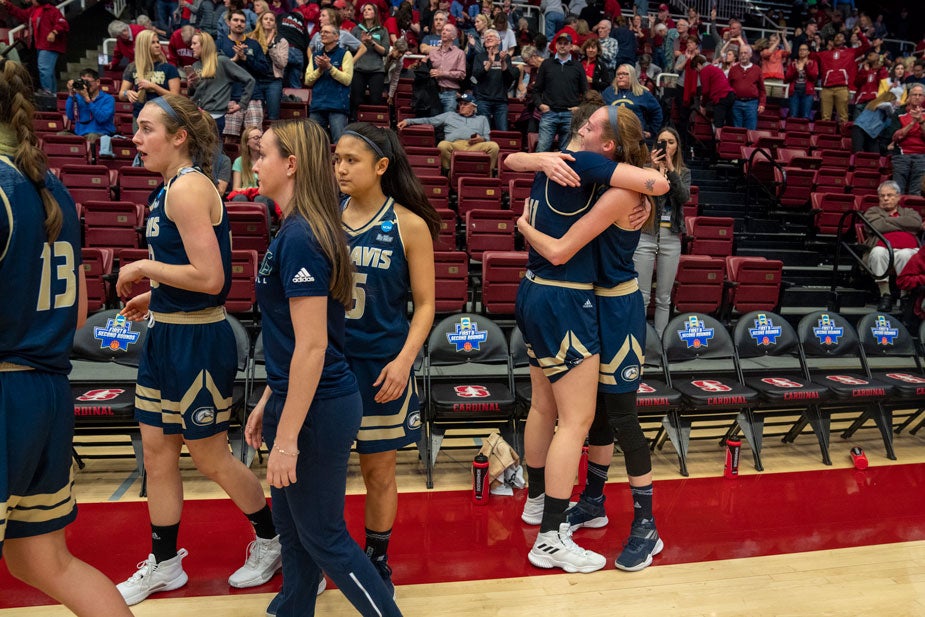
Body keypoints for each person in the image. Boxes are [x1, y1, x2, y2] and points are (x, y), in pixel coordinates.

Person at [114, 94, 282, 606]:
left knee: (209, 456)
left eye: (147, 130)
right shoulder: (169, 188)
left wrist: (144, 270)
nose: (137, 139)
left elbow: (212, 279)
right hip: (166, 332)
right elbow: (188, 270)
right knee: (158, 453)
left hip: (197, 338)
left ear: (179, 136)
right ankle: (164, 563)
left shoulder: (187, 190)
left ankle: (272, 539)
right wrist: (155, 295)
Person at [244, 118, 402, 617]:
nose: (255, 162)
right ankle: (293, 608)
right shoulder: (296, 229)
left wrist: (286, 437)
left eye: (263, 154)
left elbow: (313, 348)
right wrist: (270, 399)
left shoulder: (302, 237)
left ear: (290, 164)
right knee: (294, 535)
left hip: (316, 409)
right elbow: (294, 341)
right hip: (295, 399)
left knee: (326, 537)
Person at [503, 104, 668, 574]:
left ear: (610, 145)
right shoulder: (590, 173)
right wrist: (537, 159)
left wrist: (523, 225)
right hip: (575, 301)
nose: (581, 128)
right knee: (584, 418)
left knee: (617, 417)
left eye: (592, 125)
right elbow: (518, 161)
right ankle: (588, 503)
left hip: (615, 306)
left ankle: (645, 522)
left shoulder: (618, 190)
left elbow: (658, 184)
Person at [0, 56, 134, 617]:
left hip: (6, 390)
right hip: (49, 390)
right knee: (42, 560)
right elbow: (80, 310)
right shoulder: (47, 183)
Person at [334, 122, 440, 596]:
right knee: (326, 472)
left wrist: (403, 362)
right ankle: (324, 554)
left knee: (379, 471)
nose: (340, 168)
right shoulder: (324, 218)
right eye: (337, 159)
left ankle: (377, 558)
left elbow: (427, 305)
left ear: (380, 167)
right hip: (330, 365)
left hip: (381, 368)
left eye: (351, 160)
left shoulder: (409, 224)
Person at [633, 126, 689, 334]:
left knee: (664, 297)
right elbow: (642, 195)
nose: (666, 146)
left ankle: (662, 342)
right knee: (642, 295)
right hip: (646, 234)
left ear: (677, 147)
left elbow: (683, 197)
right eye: (662, 142)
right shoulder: (644, 169)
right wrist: (653, 170)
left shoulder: (683, 172)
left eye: (671, 142)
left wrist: (671, 172)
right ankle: (640, 340)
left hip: (671, 236)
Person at [863, 180, 924, 311]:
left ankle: (905, 296)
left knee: (907, 254)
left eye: (889, 195)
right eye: (882, 195)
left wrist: (888, 222)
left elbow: (915, 223)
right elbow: (877, 225)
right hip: (883, 249)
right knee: (878, 252)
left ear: (898, 197)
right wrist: (903, 225)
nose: (885, 198)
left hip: (906, 249)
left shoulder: (909, 211)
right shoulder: (872, 212)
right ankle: (885, 295)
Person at [397, 93, 500, 171]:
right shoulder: (450, 115)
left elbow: (487, 138)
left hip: (474, 146)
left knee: (493, 146)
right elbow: (429, 120)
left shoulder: (482, 119)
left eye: (465, 104)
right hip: (454, 145)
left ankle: (487, 173)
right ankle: (449, 172)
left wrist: (481, 139)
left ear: (473, 107)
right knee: (442, 145)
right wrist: (408, 121)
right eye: (460, 104)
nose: (462, 106)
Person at [187, 30, 256, 137]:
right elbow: (192, 93)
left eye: (194, 43)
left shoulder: (222, 61)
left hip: (214, 117)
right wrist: (191, 85)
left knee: (213, 152)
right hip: (197, 116)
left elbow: (249, 80)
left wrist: (242, 104)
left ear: (205, 45)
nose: (191, 47)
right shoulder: (195, 65)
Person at [218, 9, 272, 137]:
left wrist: (246, 59)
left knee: (255, 138)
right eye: (235, 20)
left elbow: (265, 70)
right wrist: (233, 60)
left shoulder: (254, 44)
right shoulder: (219, 43)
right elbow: (214, 69)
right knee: (228, 140)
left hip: (253, 97)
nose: (239, 23)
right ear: (228, 22)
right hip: (230, 97)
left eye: (242, 21)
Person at [534, 33, 587, 152]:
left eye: (565, 43)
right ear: (556, 45)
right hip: (549, 113)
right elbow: (536, 89)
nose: (562, 46)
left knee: (567, 153)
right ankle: (539, 172)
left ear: (571, 46)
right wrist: (540, 105)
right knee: (542, 150)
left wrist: (579, 108)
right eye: (560, 43)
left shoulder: (578, 66)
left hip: (570, 115)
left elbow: (585, 92)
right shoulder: (546, 64)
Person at [0, 0, 67, 93]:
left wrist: (54, 32)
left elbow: (62, 23)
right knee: (48, 71)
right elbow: (20, 14)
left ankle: (48, 92)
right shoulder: (33, 10)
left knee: (44, 69)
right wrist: (7, 4)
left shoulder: (51, 10)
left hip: (49, 45)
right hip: (40, 45)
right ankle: (52, 94)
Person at [305, 23, 354, 142]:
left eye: (326, 32)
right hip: (317, 106)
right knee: (313, 143)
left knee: (339, 143)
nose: (322, 34)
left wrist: (330, 67)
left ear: (336, 37)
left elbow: (347, 80)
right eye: (321, 32)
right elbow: (307, 81)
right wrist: (320, 70)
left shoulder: (345, 54)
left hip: (337, 106)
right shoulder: (315, 55)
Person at [119, 29, 182, 120]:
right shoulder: (132, 67)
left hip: (163, 117)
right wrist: (127, 93)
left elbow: (175, 97)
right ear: (143, 46)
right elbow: (121, 94)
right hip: (139, 116)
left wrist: (154, 87)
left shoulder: (169, 68)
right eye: (153, 43)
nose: (157, 45)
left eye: (158, 42)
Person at [814, 27, 869, 123]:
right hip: (826, 88)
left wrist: (859, 34)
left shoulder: (851, 52)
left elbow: (866, 46)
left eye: (841, 37)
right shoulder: (824, 54)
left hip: (842, 88)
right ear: (832, 41)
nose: (838, 38)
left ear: (844, 40)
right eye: (836, 36)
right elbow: (809, 55)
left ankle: (843, 137)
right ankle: (825, 137)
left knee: (843, 118)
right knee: (825, 118)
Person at [601, 64, 662, 141]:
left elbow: (657, 112)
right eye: (618, 74)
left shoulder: (643, 93)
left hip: (635, 138)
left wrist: (651, 131)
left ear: (632, 76)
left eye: (624, 74)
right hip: (612, 137)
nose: (620, 77)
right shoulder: (608, 92)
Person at [472, 28, 518, 130]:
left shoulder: (505, 57)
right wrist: (489, 63)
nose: (488, 38)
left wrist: (503, 63)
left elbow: (509, 79)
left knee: (503, 133)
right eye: (486, 37)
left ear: (499, 41)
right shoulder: (479, 57)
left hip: (501, 101)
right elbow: (474, 78)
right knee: (484, 132)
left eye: (491, 36)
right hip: (483, 100)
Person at [351, 3, 390, 117]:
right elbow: (350, 49)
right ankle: (356, 124)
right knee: (356, 101)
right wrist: (362, 43)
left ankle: (373, 125)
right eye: (364, 10)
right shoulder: (356, 29)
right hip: (359, 69)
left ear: (375, 13)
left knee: (375, 101)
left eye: (369, 9)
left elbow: (385, 52)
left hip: (376, 70)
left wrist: (372, 42)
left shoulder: (382, 30)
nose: (366, 11)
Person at [249, 10, 289, 120]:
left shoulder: (281, 41)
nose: (268, 21)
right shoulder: (252, 39)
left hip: (273, 81)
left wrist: (270, 47)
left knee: (273, 117)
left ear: (275, 24)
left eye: (271, 20)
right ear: (261, 21)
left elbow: (282, 64)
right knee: (255, 117)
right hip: (255, 81)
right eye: (265, 19)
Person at [65, 69, 116, 148]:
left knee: (92, 136)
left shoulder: (108, 99)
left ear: (98, 82)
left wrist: (88, 101)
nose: (85, 86)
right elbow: (70, 116)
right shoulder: (77, 98)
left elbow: (102, 118)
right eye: (83, 82)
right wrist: (71, 95)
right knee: (61, 135)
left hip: (100, 134)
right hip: (80, 134)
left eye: (88, 82)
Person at [891, 84, 925, 195]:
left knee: (916, 192)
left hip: (922, 156)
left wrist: (921, 121)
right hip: (901, 155)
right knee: (898, 191)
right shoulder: (899, 113)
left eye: (920, 95)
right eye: (914, 94)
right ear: (909, 97)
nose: (917, 97)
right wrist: (912, 122)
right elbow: (896, 137)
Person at [687, 54, 735, 129]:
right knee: (730, 123)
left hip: (721, 98)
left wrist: (703, 105)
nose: (697, 71)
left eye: (696, 69)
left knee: (718, 124)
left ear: (699, 65)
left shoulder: (704, 71)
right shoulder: (714, 68)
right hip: (730, 95)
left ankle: (718, 140)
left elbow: (706, 91)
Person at [428, 23, 467, 113]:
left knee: (448, 122)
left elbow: (462, 74)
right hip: (434, 92)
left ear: (454, 37)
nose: (444, 32)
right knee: (434, 122)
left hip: (451, 93)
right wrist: (429, 71)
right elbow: (427, 70)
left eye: (447, 30)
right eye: (443, 30)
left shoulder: (459, 53)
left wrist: (443, 73)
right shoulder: (433, 53)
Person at [727, 46, 764, 130]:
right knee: (736, 131)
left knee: (751, 131)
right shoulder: (733, 69)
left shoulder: (757, 69)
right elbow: (728, 87)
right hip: (736, 103)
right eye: (741, 53)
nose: (743, 55)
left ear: (750, 54)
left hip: (752, 104)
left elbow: (762, 89)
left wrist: (762, 103)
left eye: (745, 53)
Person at [785, 43, 818, 120]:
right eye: (800, 50)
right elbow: (787, 79)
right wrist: (795, 70)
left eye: (804, 49)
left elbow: (813, 77)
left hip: (807, 92)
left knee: (805, 116)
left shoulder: (813, 63)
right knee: (793, 116)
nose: (802, 51)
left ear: (808, 52)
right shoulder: (793, 64)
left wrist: (806, 67)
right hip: (794, 92)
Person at [232, 124, 263, 193]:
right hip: (245, 194)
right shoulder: (239, 161)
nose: (260, 140)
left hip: (262, 194)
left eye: (261, 137)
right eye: (256, 138)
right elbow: (235, 188)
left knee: (259, 198)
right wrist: (250, 191)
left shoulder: (267, 160)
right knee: (239, 198)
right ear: (247, 142)